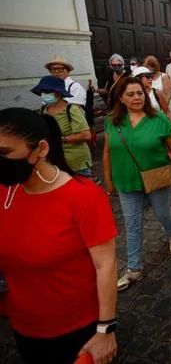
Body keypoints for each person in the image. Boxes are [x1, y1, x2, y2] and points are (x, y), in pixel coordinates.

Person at [0, 108, 118, 364]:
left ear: (40, 149)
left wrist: (105, 328)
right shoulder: (4, 193)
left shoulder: (82, 196)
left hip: (77, 329)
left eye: (4, 154)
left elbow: (105, 264)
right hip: (24, 327)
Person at [103, 77, 171, 291]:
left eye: (140, 93)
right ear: (121, 98)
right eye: (130, 94)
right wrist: (108, 179)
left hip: (156, 177)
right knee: (132, 225)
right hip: (126, 180)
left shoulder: (159, 119)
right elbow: (107, 151)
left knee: (163, 213)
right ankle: (133, 269)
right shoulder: (112, 121)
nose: (136, 97)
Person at [31, 76, 93, 177]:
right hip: (54, 161)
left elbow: (86, 135)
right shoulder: (44, 109)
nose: (44, 94)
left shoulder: (72, 110)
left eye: (47, 91)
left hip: (76, 162)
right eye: (42, 91)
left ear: (58, 93)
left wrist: (60, 139)